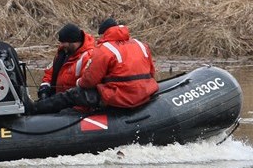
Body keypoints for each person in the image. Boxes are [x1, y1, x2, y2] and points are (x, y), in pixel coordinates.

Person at [27, 17, 157, 115]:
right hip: (143, 93)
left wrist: (79, 83)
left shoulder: (104, 50)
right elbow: (151, 72)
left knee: (72, 95)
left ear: (105, 33)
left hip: (118, 96)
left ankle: (33, 109)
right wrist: (45, 87)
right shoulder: (141, 45)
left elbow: (90, 80)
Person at [37, 23, 95, 100]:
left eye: (63, 42)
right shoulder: (62, 53)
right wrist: (45, 86)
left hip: (73, 101)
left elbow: (86, 82)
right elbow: (50, 72)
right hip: (56, 98)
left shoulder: (87, 57)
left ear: (72, 42)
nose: (61, 45)